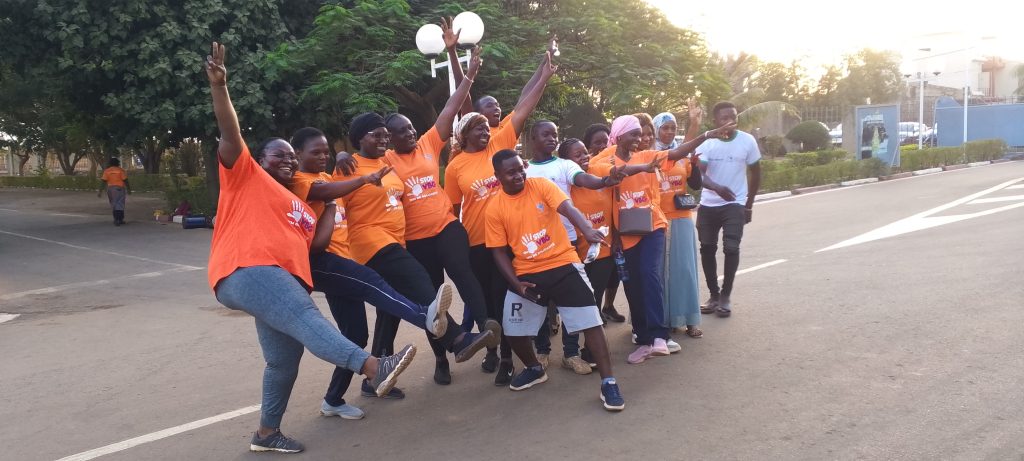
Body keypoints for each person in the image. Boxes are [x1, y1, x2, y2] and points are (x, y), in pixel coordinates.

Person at [204, 42, 414, 453]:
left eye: (290, 157)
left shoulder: (300, 202)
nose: (286, 160)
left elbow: (315, 244)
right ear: (259, 159)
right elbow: (230, 132)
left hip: (281, 279)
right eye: (278, 155)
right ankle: (375, 367)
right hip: (247, 268)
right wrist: (219, 87)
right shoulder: (245, 175)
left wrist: (332, 205)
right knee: (305, 317)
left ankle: (266, 433)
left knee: (284, 359)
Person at [289, 126, 484, 416]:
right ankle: (447, 332)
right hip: (333, 261)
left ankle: (336, 398)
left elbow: (334, 185)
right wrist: (360, 178)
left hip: (349, 257)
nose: (322, 156)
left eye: (325, 151)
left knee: (356, 334)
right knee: (381, 285)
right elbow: (325, 192)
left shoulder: (329, 175)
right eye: (314, 152)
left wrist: (340, 158)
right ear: (298, 154)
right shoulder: (299, 181)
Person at [333, 111, 500, 396]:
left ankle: (373, 379)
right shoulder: (349, 166)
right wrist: (339, 156)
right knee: (422, 285)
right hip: (374, 243)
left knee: (390, 310)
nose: (384, 139)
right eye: (378, 134)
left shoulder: (384, 163)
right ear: (359, 138)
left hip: (395, 240)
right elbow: (330, 193)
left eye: (385, 135)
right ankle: (457, 339)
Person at [379, 45, 496, 385]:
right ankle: (442, 358)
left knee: (463, 272)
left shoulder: (429, 143)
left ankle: (487, 330)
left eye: (411, 128)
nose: (410, 133)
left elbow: (451, 106)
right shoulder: (386, 160)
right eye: (402, 131)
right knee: (433, 301)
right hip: (416, 241)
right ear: (390, 138)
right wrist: (344, 160)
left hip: (446, 227)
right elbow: (360, 162)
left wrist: (468, 74)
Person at [444, 49, 556, 386]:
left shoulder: (499, 143)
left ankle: (507, 357)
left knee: (507, 298)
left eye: (486, 126)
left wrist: (543, 77)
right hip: (477, 243)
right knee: (487, 303)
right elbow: (451, 210)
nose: (485, 130)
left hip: (510, 239)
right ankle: (493, 350)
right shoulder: (455, 166)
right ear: (463, 135)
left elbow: (523, 107)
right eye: (477, 127)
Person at [485, 149, 625, 411]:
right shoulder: (494, 207)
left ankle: (609, 382)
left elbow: (567, 208)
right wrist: (516, 284)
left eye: (520, 169)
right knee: (513, 329)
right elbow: (498, 252)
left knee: (592, 323)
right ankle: (534, 368)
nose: (519, 175)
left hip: (563, 264)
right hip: (526, 273)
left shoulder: (540, 186)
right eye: (511, 172)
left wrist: (587, 230)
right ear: (497, 176)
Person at [590, 115, 733, 364]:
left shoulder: (649, 156)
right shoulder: (605, 161)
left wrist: (706, 135)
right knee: (633, 285)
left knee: (650, 274)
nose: (639, 138)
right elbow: (612, 172)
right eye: (633, 134)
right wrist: (640, 167)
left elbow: (677, 152)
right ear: (619, 136)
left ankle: (659, 336)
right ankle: (644, 339)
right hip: (626, 232)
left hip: (653, 225)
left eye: (641, 133)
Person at [524, 121, 622, 374]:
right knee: (540, 303)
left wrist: (605, 180)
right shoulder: (524, 169)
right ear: (533, 138)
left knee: (572, 301)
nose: (552, 138)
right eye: (546, 134)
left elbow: (584, 179)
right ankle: (542, 351)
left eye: (555, 134)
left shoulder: (564, 165)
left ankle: (570, 353)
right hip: (534, 246)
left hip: (566, 243)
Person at [696, 101, 762, 318]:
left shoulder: (747, 141)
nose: (729, 122)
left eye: (733, 117)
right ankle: (714, 295)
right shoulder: (707, 143)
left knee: (731, 247)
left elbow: (756, 173)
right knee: (707, 248)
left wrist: (748, 206)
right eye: (724, 118)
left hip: (735, 203)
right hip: (709, 204)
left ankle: (725, 296)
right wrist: (716, 188)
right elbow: (698, 175)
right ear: (715, 120)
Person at [653, 106, 705, 341]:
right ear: (656, 129)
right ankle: (664, 320)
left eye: (673, 128)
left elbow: (695, 185)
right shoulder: (650, 155)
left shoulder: (683, 154)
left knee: (684, 270)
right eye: (665, 128)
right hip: (658, 220)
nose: (669, 132)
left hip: (682, 220)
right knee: (660, 273)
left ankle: (690, 320)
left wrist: (694, 165)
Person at [582, 123, 625, 323]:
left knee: (614, 274)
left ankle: (608, 306)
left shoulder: (610, 165)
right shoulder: (584, 168)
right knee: (593, 281)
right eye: (596, 142)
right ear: (588, 145)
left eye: (605, 142)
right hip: (587, 239)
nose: (601, 146)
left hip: (610, 234)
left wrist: (616, 234)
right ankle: (595, 312)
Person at [98, 158, 131, 226]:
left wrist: (100, 191)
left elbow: (103, 181)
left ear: (110, 163)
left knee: (114, 204)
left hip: (110, 189)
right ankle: (120, 219)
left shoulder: (107, 171)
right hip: (119, 189)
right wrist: (128, 189)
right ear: (118, 163)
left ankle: (116, 219)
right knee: (120, 204)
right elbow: (125, 180)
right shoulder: (120, 170)